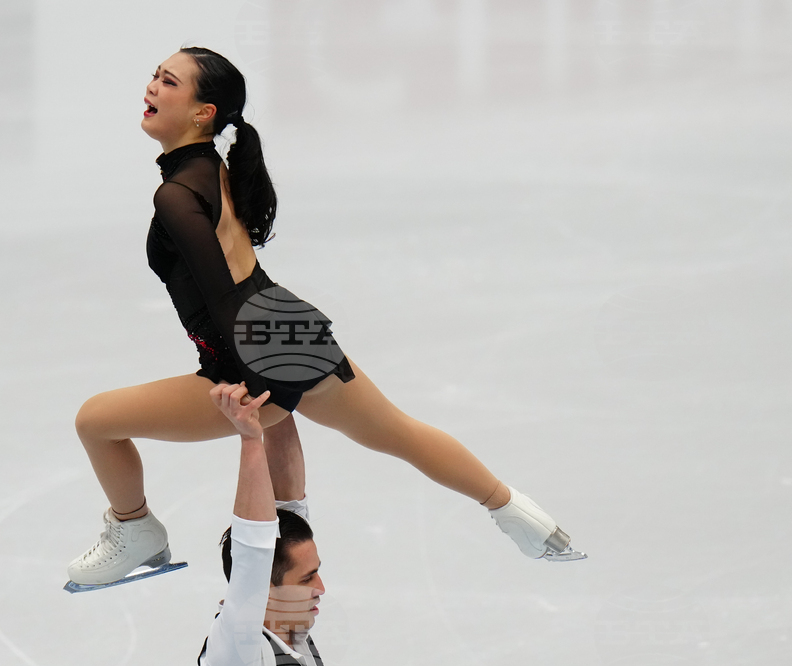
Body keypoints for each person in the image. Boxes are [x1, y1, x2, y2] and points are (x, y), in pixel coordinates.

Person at [66, 47, 583, 588]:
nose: (151, 87)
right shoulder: (213, 168)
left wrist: (248, 387)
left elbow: (219, 295)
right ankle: (521, 516)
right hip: (290, 325)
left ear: (204, 113)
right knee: (400, 433)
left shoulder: (176, 194)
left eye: (168, 82)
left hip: (249, 348)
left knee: (95, 421)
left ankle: (135, 529)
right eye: (154, 76)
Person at [199, 383, 324, 665]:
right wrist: (250, 439)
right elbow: (252, 551)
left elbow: (288, 505)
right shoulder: (237, 649)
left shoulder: (291, 628)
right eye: (307, 578)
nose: (321, 588)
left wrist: (276, 394)